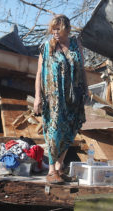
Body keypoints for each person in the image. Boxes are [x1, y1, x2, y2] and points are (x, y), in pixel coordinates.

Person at [34, 14, 88, 184]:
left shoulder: (75, 44)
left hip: (73, 95)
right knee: (54, 131)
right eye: (53, 29)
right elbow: (39, 73)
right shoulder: (46, 47)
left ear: (66, 29)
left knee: (70, 130)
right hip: (54, 97)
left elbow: (82, 68)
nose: (55, 32)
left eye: (58, 29)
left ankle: (59, 167)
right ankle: (51, 170)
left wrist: (86, 88)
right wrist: (37, 97)